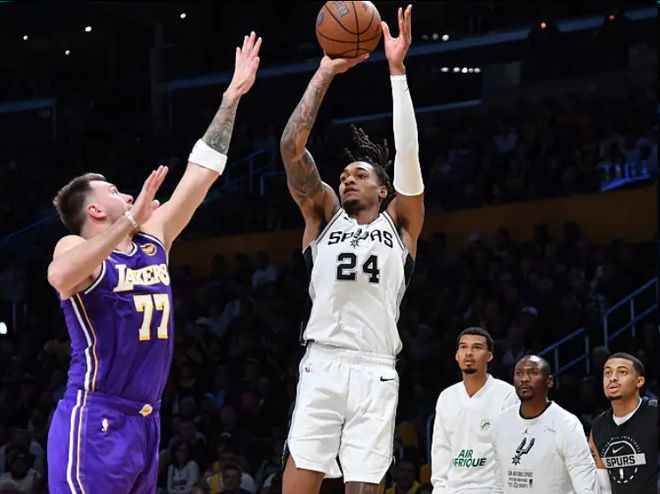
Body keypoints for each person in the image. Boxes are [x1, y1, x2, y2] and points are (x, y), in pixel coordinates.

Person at [45, 32, 262, 494]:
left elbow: (202, 174)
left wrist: (231, 97)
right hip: (95, 418)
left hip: (147, 421)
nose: (128, 195)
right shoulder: (72, 246)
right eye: (115, 192)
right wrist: (130, 221)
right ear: (95, 211)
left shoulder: (152, 238)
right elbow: (60, 277)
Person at [279, 5, 424, 494]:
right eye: (343, 174)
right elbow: (291, 148)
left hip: (375, 366)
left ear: (384, 189)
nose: (346, 178)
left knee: (365, 483)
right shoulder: (323, 217)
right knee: (299, 477)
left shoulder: (401, 224)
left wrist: (397, 72)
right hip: (322, 359)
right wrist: (325, 71)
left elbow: (408, 155)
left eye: (359, 173)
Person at [489, 355, 599, 493]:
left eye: (533, 373)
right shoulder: (501, 422)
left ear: (549, 381)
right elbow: (499, 483)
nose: (524, 379)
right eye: (519, 373)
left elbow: (586, 485)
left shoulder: (567, 424)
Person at [430, 327, 518, 494]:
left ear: (489, 356)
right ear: (457, 355)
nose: (469, 353)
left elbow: (511, 450)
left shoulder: (507, 395)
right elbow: (441, 448)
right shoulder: (446, 396)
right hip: (452, 489)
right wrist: (440, 488)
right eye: (463, 347)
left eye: (477, 347)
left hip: (491, 488)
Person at [589, 352, 657, 494]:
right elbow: (604, 485)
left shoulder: (655, 413)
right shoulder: (598, 426)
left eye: (622, 372)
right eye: (607, 373)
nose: (613, 378)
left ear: (639, 381)